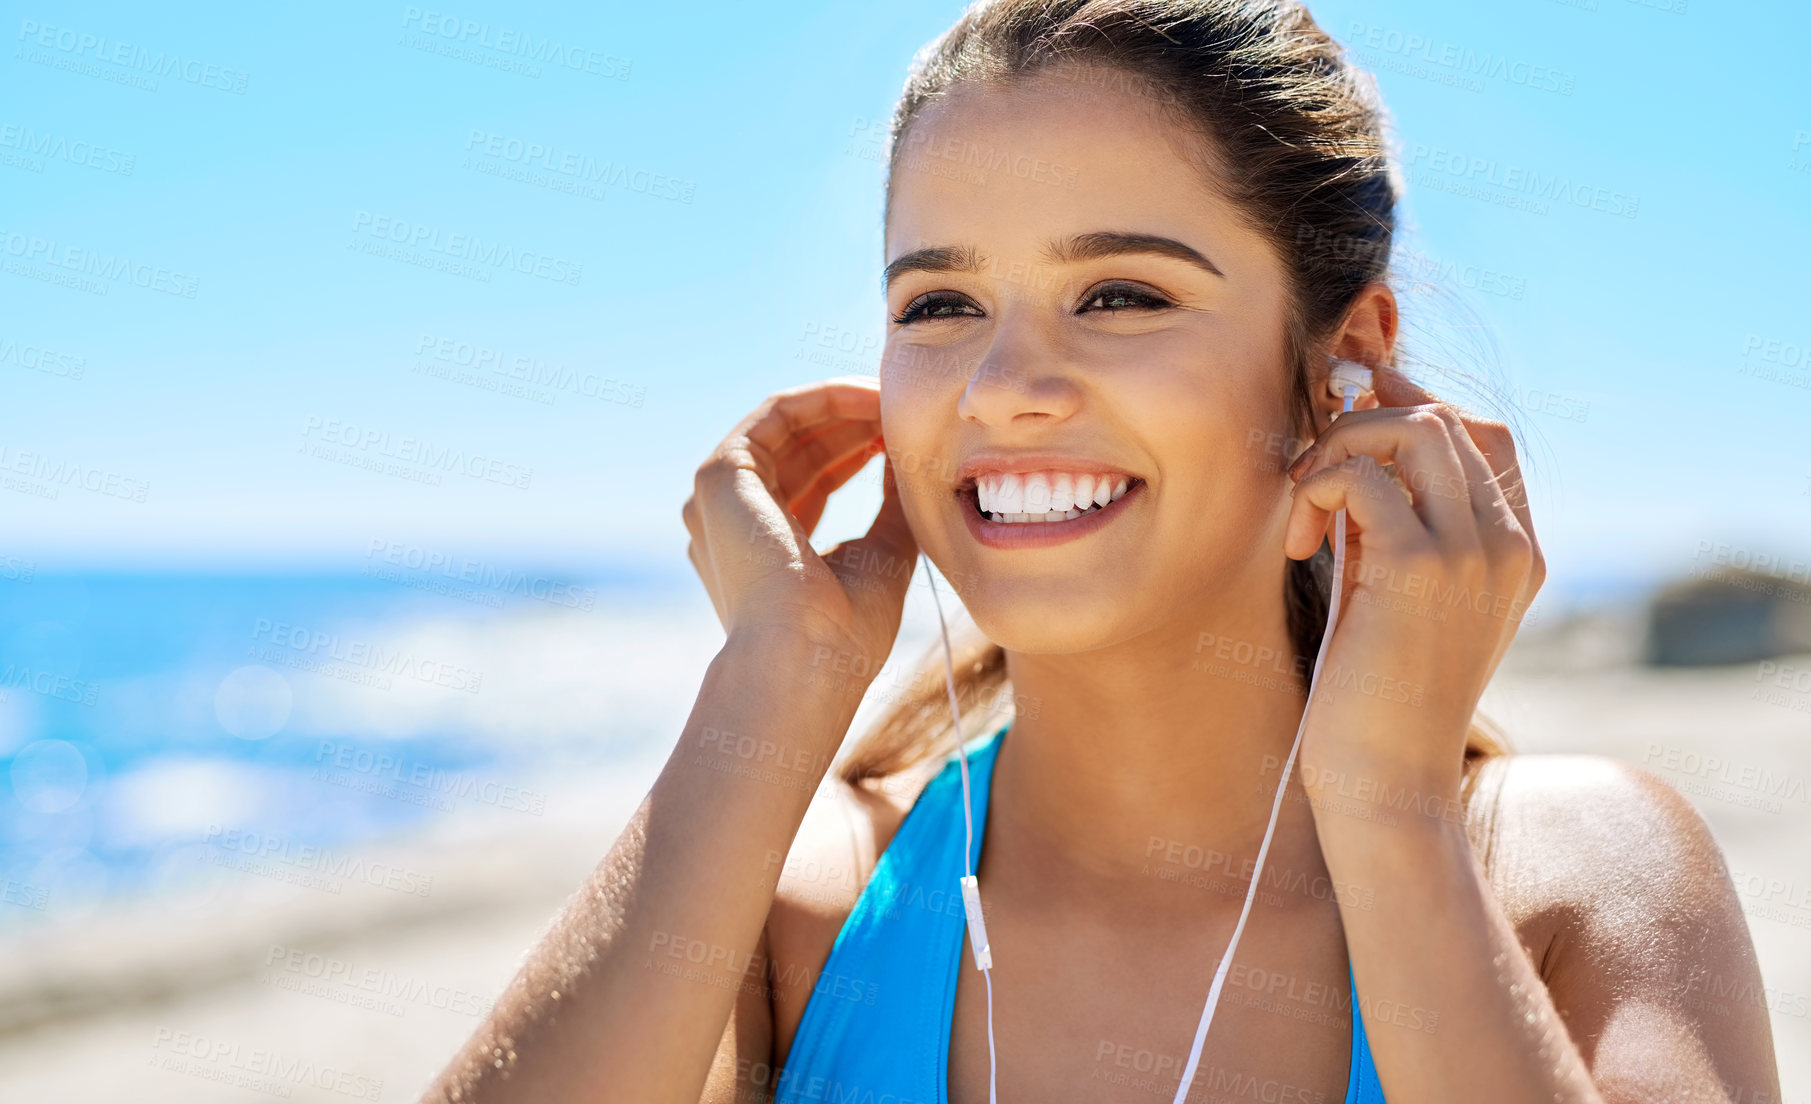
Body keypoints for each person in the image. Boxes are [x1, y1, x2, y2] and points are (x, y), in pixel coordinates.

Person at [424, 2, 1783, 1100]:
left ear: (1344, 363)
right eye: (940, 302)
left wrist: (1388, 813)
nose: (1004, 384)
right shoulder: (801, 903)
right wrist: (769, 693)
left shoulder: (1570, 872)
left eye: (1122, 293)